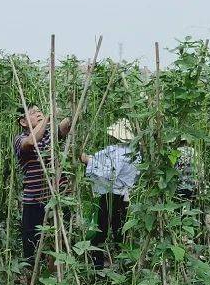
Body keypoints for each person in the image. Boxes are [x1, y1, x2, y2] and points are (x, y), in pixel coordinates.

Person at [13, 105, 71, 267]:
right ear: (23, 122)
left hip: (58, 198)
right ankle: (31, 279)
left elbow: (65, 127)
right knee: (32, 246)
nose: (38, 114)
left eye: (40, 111)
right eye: (33, 113)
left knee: (61, 242)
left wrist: (71, 109)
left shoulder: (49, 134)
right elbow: (31, 142)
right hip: (35, 202)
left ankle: (55, 277)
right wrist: (48, 117)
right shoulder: (20, 139)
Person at [80, 119, 139, 268]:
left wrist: (88, 161)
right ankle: (125, 266)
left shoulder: (119, 152)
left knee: (101, 230)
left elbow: (109, 173)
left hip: (112, 195)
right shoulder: (133, 152)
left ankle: (98, 265)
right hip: (124, 196)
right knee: (120, 231)